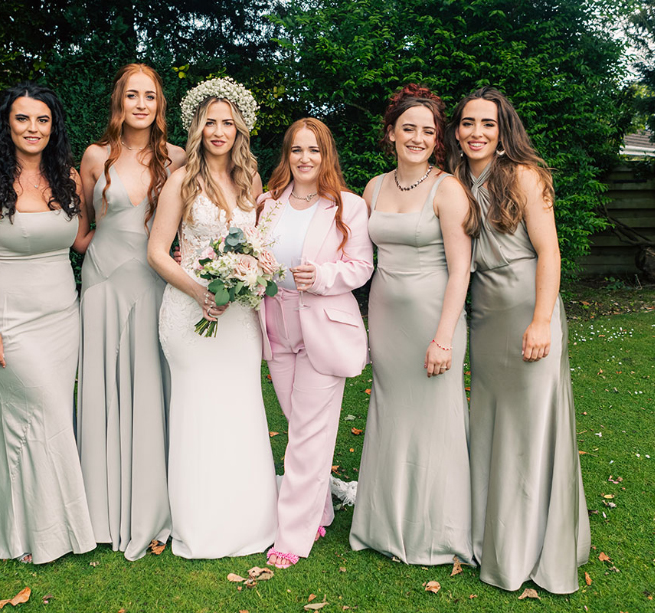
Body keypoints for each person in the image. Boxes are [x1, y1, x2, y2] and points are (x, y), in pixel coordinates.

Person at [446, 86, 590, 593]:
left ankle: (534, 546)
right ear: (457, 130)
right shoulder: (456, 179)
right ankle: (492, 534)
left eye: (487, 123)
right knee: (490, 426)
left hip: (528, 307)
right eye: (467, 123)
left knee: (531, 430)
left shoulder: (526, 177)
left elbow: (549, 253)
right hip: (485, 313)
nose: (476, 132)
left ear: (504, 131)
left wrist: (542, 320)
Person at [0, 82, 96, 564]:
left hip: (64, 318)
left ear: (53, 126)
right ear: (7, 124)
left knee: (47, 414)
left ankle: (33, 521)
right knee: (43, 415)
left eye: (42, 119)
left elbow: (81, 242)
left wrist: (142, 226)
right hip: (11, 321)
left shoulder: (69, 179)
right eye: (23, 118)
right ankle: (46, 531)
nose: (33, 128)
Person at [147, 77, 277, 559]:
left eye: (227, 122)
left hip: (240, 317)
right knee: (199, 411)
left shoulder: (251, 181)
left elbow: (259, 248)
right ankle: (201, 523)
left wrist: (250, 276)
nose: (219, 131)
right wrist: (200, 291)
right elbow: (158, 253)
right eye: (210, 122)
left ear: (239, 128)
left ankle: (250, 520)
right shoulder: (182, 180)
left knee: (241, 408)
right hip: (189, 313)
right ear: (197, 127)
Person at [349, 85, 477, 565]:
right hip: (385, 315)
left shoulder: (448, 189)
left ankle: (437, 533)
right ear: (391, 133)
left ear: (436, 139)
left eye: (427, 130)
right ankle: (382, 525)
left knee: (433, 421)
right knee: (391, 415)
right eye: (409, 129)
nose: (418, 138)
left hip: (433, 318)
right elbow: (358, 259)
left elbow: (461, 268)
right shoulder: (374, 188)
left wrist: (444, 337)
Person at [75, 64, 186, 561]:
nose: (142, 104)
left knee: (149, 380)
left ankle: (150, 502)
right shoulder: (96, 157)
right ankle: (98, 509)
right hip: (102, 281)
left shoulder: (179, 158)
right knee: (103, 384)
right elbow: (80, 230)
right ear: (118, 102)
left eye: (151, 96)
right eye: (132, 96)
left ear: (160, 105)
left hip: (153, 282)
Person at [257, 118, 373, 568]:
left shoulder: (348, 206)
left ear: (327, 156)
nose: (305, 158)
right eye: (296, 150)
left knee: (307, 435)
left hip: (323, 325)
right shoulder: (266, 204)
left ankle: (292, 537)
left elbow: (362, 266)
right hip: (277, 323)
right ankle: (321, 507)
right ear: (286, 155)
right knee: (298, 425)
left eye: (315, 150)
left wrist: (323, 276)